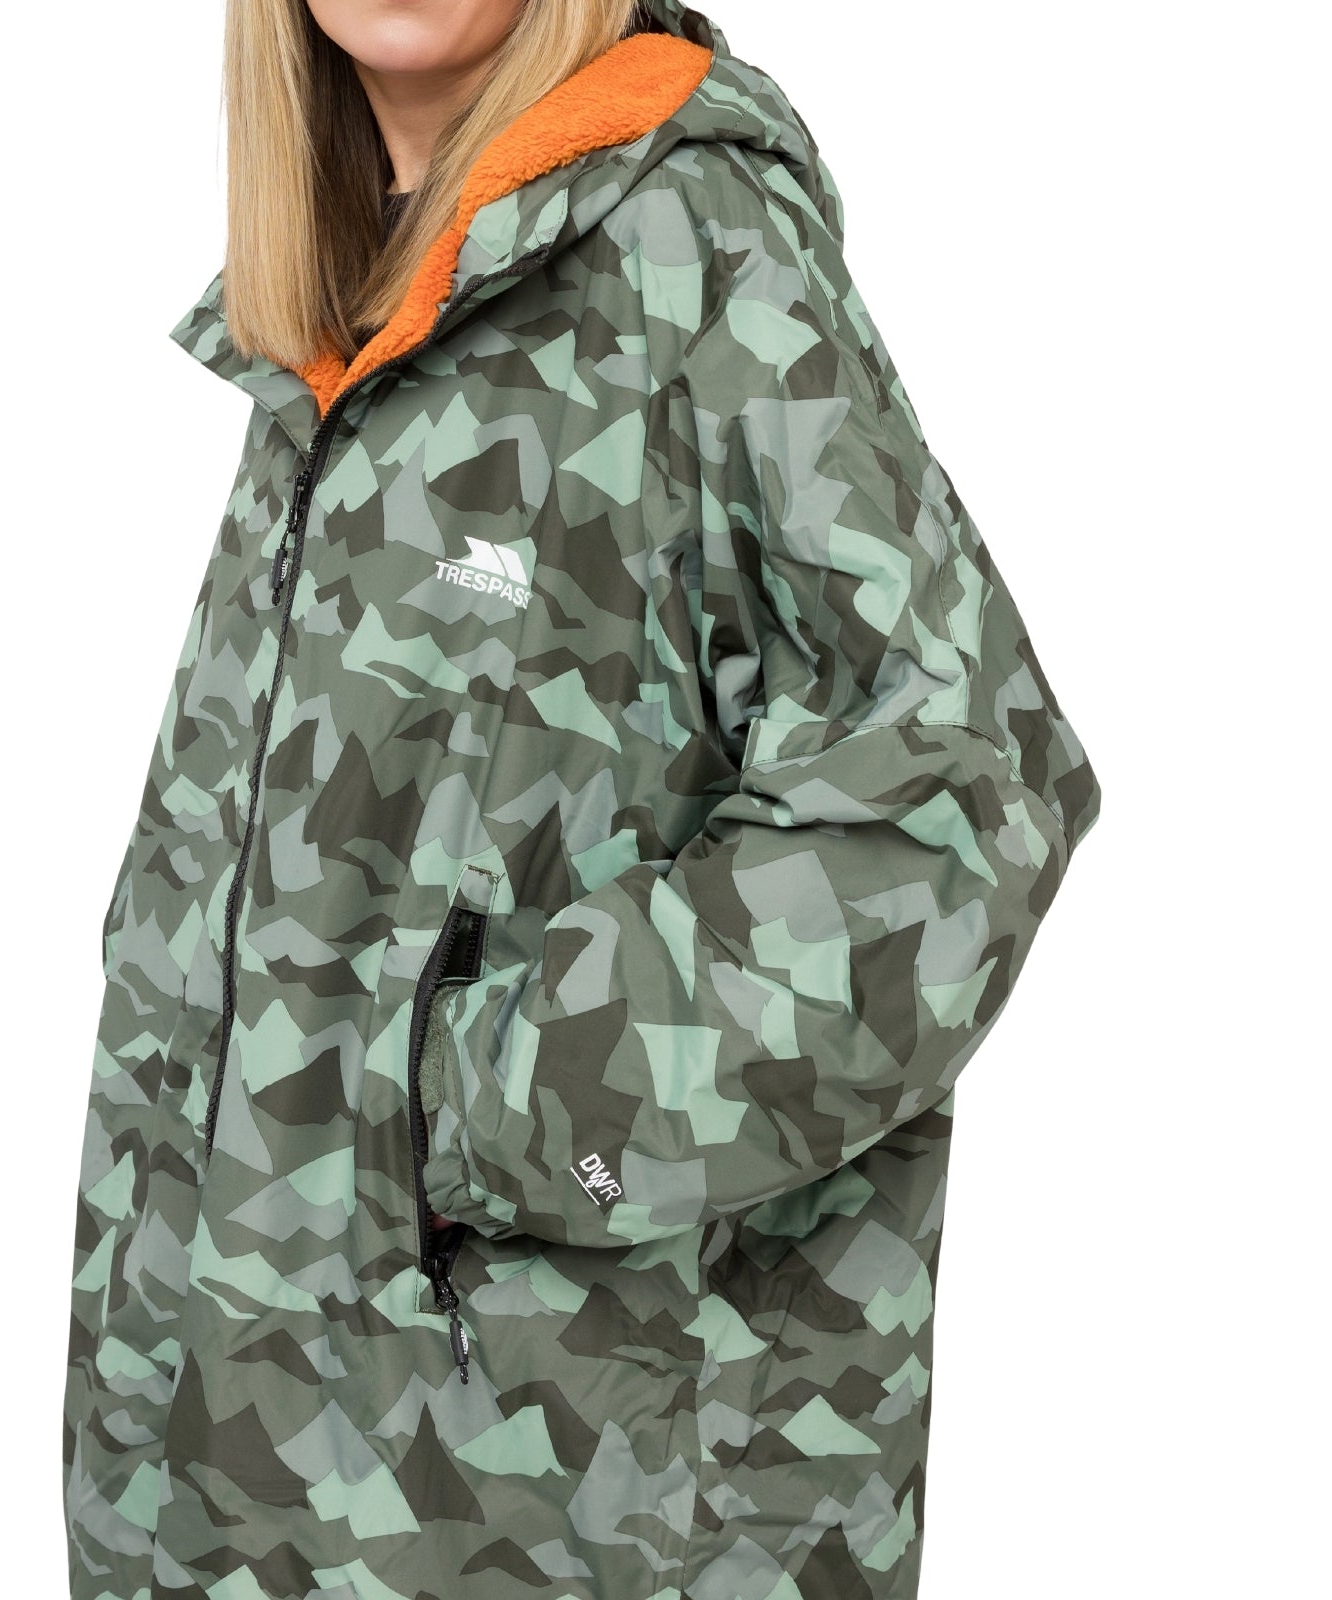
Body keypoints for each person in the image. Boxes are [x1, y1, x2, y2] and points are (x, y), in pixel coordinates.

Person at [61, 1, 1103, 1595]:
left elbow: (968, 788)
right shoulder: (360, 287)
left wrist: (505, 1101)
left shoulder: (692, 245)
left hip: (562, 1517)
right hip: (241, 1491)